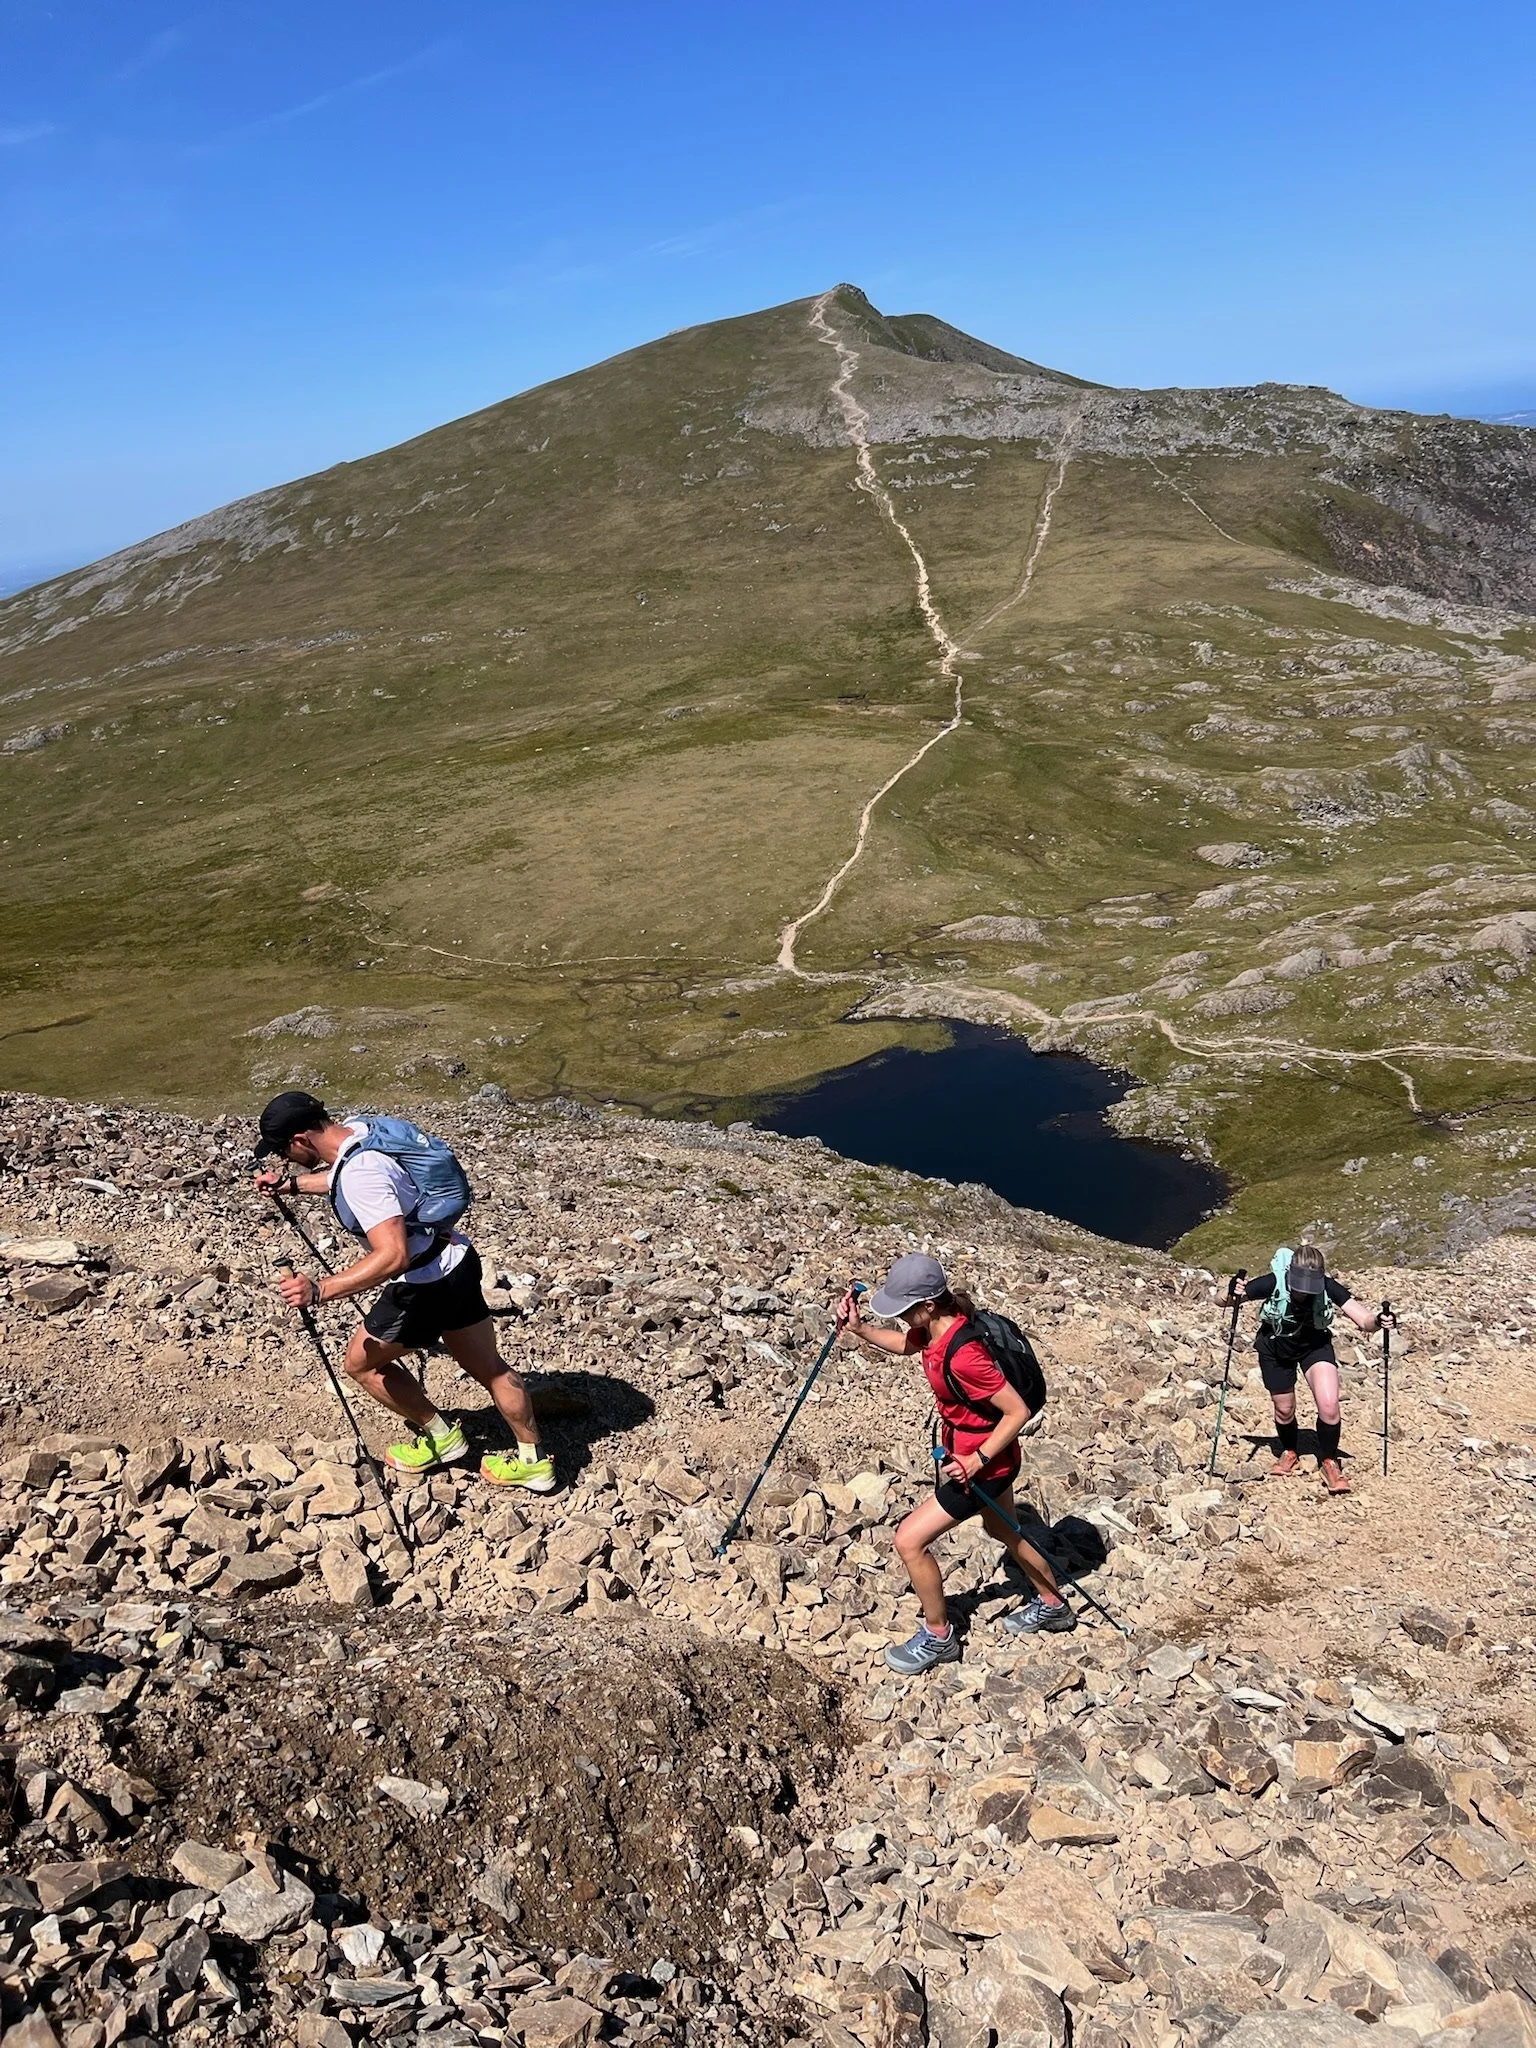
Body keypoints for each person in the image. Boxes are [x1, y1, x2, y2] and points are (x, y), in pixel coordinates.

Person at [252, 1090, 554, 1491]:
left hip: (423, 1287)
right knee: (489, 1367)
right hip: (456, 1259)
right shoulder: (362, 1132)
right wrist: (292, 1185)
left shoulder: (361, 1174)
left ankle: (442, 1439)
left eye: (282, 1151)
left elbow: (392, 1256)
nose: (283, 1158)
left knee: (362, 1365)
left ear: (300, 1140)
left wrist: (319, 1290)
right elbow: (345, 1176)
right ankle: (533, 1461)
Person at [837, 1252, 1076, 1674]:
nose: (902, 1318)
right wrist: (859, 1329)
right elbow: (902, 1344)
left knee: (909, 1540)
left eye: (905, 1310)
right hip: (989, 1458)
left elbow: (1017, 1412)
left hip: (980, 1465)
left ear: (928, 1306)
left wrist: (975, 1459)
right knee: (1003, 1527)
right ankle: (1053, 1605)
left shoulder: (964, 1354)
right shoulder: (934, 1330)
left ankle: (938, 1636)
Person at [1228, 1243, 1394, 1496]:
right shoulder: (1274, 1282)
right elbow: (1227, 1301)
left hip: (1314, 1347)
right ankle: (1290, 1451)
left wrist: (1379, 1321)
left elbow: (1363, 1320)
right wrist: (1231, 1290)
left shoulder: (1327, 1286)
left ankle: (1329, 1461)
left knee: (1329, 1406)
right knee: (1284, 1410)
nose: (1304, 1292)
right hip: (1275, 1347)